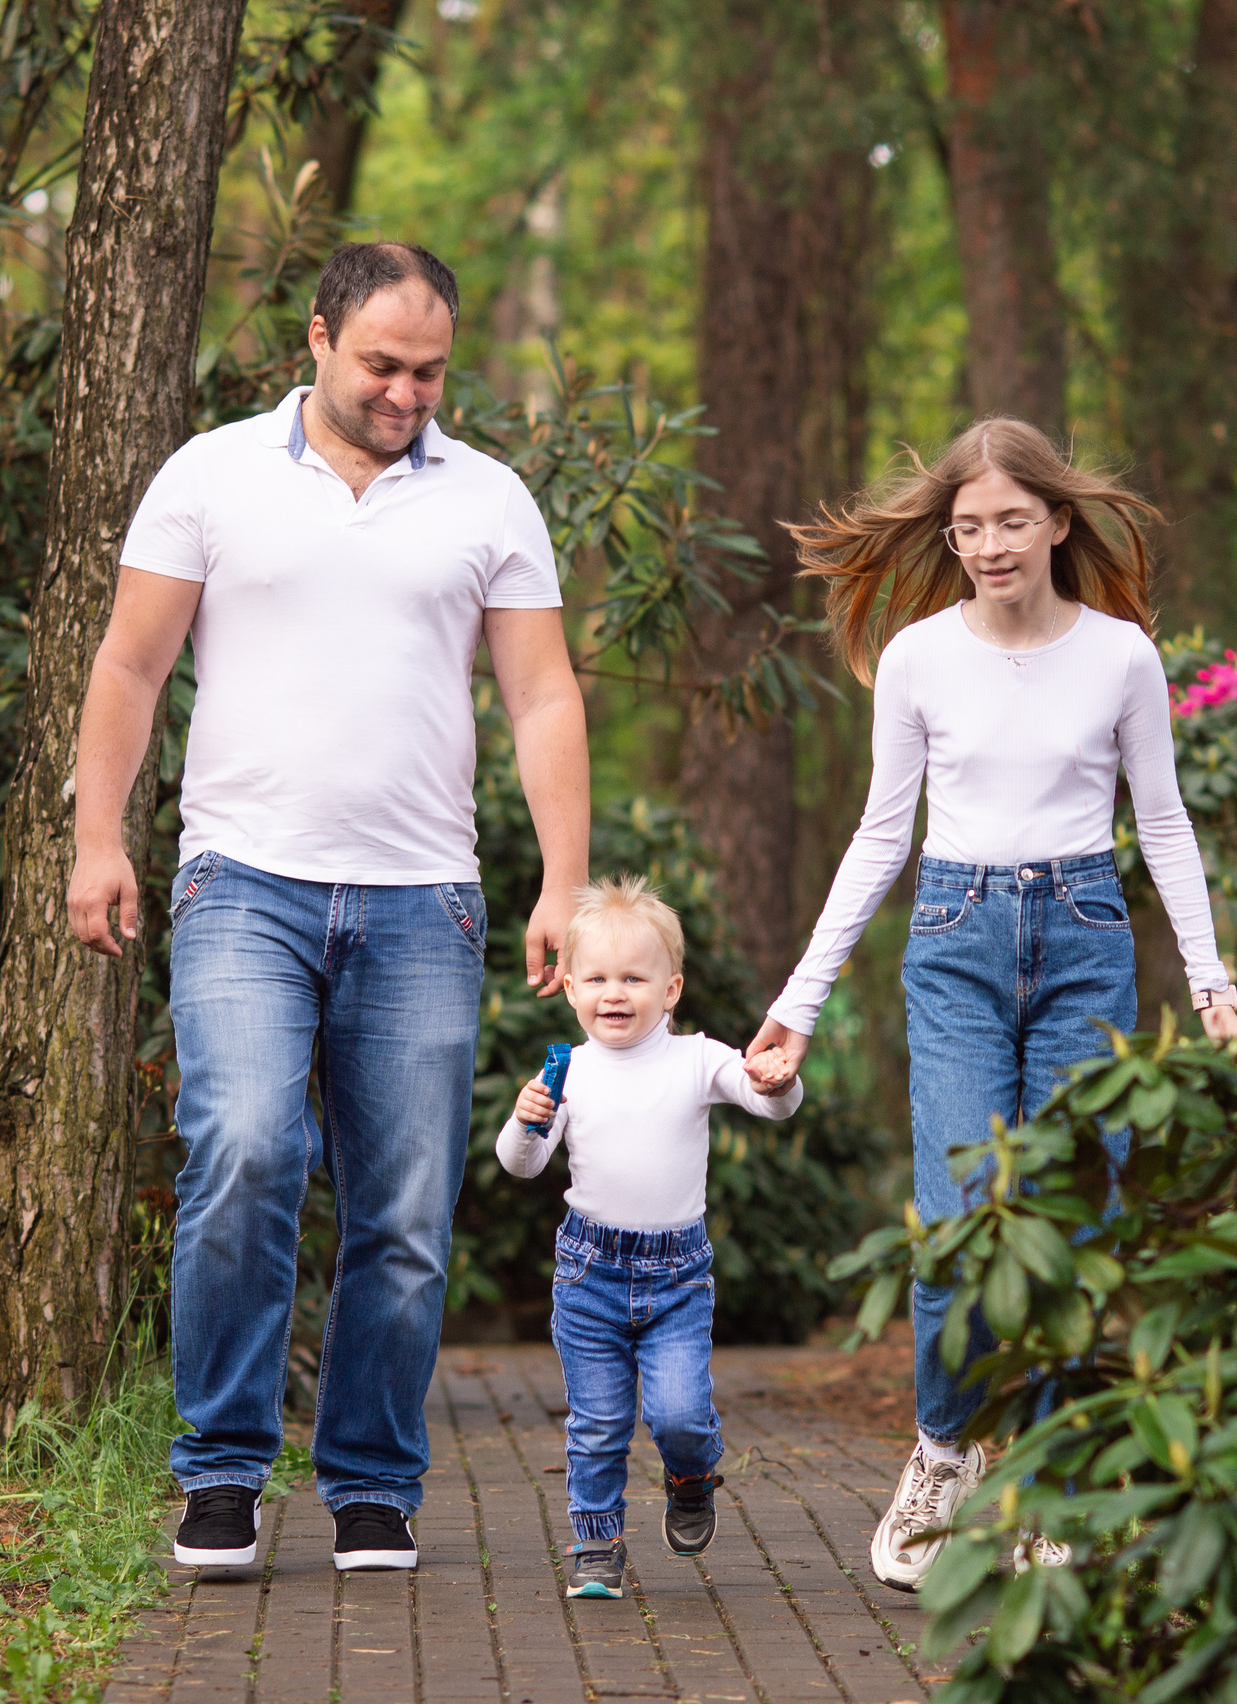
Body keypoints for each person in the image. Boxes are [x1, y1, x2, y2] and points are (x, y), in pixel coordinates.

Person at [65, 242, 590, 1575]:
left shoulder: (490, 501)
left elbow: (542, 695)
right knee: (242, 1149)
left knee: (404, 1212)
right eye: (382, 366)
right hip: (243, 879)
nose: (408, 392)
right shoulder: (210, 476)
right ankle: (223, 1472)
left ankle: (369, 1482)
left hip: (426, 900)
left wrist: (565, 879)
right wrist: (97, 837)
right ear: (315, 340)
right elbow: (131, 665)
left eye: (430, 371)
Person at [740, 417, 1237, 1593]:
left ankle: (1054, 1473)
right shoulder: (919, 656)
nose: (988, 545)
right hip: (957, 940)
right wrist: (797, 1004)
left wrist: (1212, 986)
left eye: (1011, 521)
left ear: (1058, 522)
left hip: (1083, 939)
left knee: (1075, 1220)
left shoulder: (1121, 655)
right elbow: (882, 835)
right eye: (967, 527)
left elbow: (1161, 823)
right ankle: (941, 1454)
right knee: (960, 1212)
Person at [495, 877, 802, 1600]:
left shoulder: (696, 1059)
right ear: (570, 988)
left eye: (635, 978)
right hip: (588, 1273)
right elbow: (523, 1164)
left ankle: (691, 1476)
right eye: (597, 978)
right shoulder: (566, 1072)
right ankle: (596, 1543)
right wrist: (526, 1119)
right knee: (598, 1421)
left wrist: (776, 1077)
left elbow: (769, 1102)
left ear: (671, 989)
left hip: (676, 1278)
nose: (615, 993)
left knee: (680, 1414)